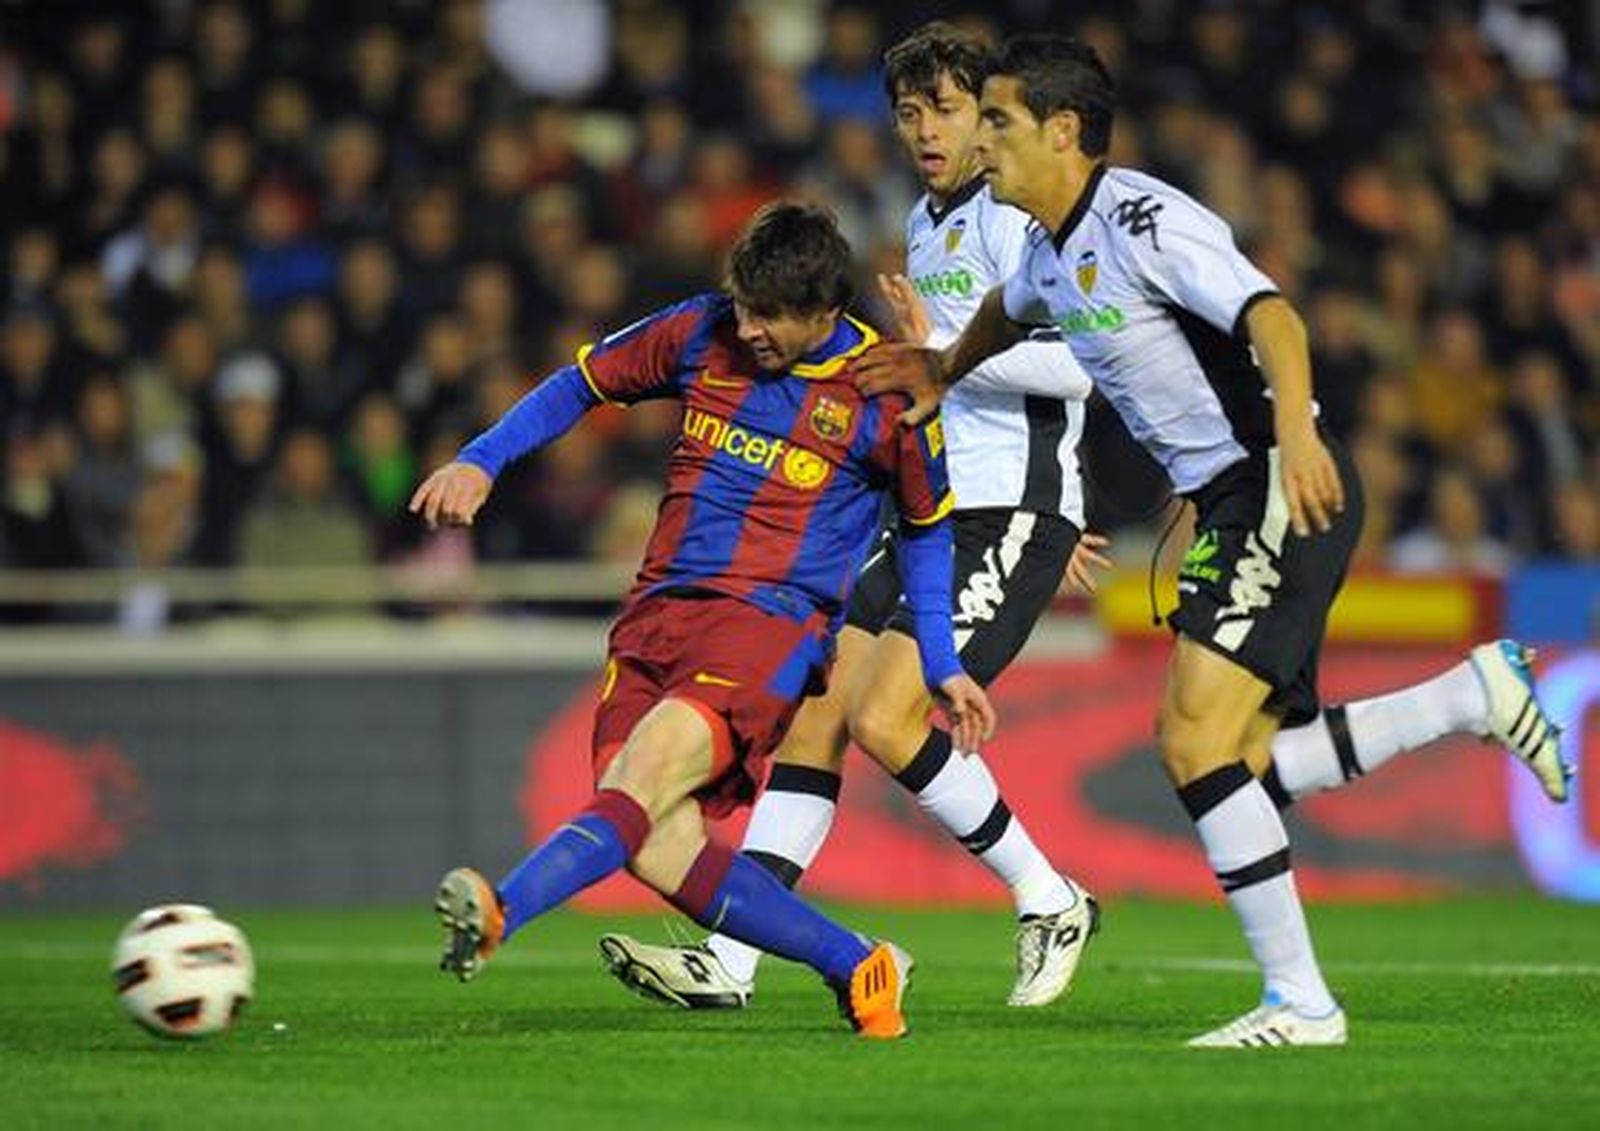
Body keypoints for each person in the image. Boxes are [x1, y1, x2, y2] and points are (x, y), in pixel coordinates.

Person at [854, 35, 1570, 1048]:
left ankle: (1301, 1004)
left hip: (1270, 480)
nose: (983, 142)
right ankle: (1468, 696)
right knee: (1245, 761)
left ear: (1063, 133)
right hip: (1230, 496)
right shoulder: (1050, 250)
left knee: (1191, 743)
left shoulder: (1139, 216)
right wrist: (940, 369)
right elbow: (1008, 320)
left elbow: (1269, 313)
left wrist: (1288, 438)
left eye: (1000, 122)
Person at [598, 22, 1102, 1014]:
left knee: (885, 715)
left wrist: (955, 365)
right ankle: (732, 962)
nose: (924, 130)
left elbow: (1083, 368)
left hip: (1006, 506)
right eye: (909, 112)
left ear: (989, 115)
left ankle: (1049, 897)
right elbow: (928, 395)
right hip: (935, 512)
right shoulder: (928, 220)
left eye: (946, 109)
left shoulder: (1021, 220)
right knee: (811, 722)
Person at [410, 201, 996, 1040]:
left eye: (772, 315)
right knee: (656, 842)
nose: (750, 328)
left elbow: (929, 527)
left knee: (637, 788)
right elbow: (580, 382)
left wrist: (940, 659)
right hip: (654, 617)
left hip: (767, 628)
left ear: (826, 313)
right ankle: (856, 962)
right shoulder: (698, 330)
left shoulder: (883, 388)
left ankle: (501, 909)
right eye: (744, 305)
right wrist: (480, 459)